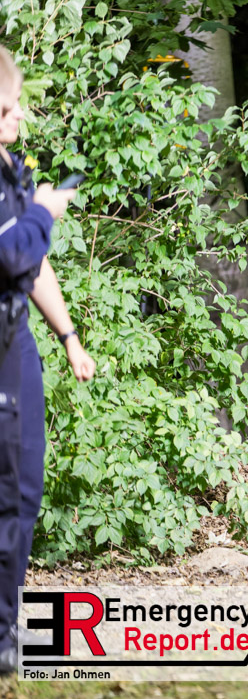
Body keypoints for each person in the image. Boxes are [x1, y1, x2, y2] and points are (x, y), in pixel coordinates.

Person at [0, 46, 94, 672]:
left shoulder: (12, 169)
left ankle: (6, 630)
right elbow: (12, 251)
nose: (17, 117)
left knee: (23, 486)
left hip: (16, 342)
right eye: (5, 109)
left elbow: (30, 264)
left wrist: (68, 336)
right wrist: (43, 211)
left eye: (15, 107)